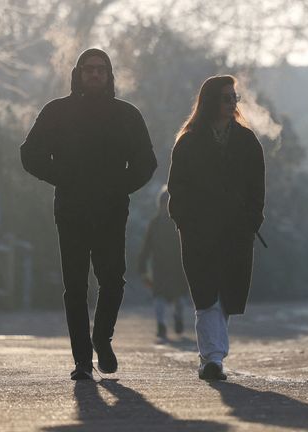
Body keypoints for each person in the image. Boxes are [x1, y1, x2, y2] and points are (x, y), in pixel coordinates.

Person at [20, 48, 157, 380]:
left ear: (110, 75)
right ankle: (82, 360)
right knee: (76, 286)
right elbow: (29, 154)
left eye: (101, 70)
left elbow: (146, 162)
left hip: (111, 210)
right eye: (88, 69)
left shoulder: (127, 115)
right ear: (78, 74)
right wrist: (62, 176)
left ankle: (102, 337)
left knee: (113, 281)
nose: (95, 75)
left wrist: (119, 186)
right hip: (71, 210)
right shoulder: (57, 112)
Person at [167, 75, 265, 381]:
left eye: (233, 97)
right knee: (205, 292)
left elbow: (257, 186)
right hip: (198, 230)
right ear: (210, 101)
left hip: (236, 230)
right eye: (225, 97)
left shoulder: (247, 141)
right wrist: (184, 219)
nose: (231, 103)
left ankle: (213, 355)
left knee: (226, 291)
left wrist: (251, 220)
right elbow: (177, 188)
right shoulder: (189, 141)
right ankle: (212, 357)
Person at [138, 185, 190, 339]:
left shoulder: (180, 222)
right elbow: (146, 247)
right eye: (163, 204)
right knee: (159, 297)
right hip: (160, 268)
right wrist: (142, 271)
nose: (165, 208)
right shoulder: (154, 224)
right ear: (160, 205)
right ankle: (161, 324)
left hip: (178, 267)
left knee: (179, 298)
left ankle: (178, 317)